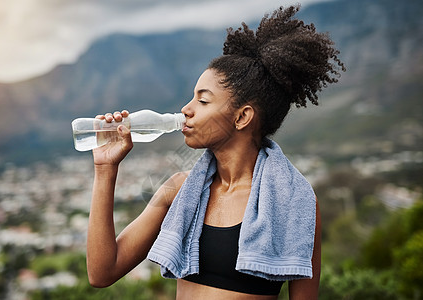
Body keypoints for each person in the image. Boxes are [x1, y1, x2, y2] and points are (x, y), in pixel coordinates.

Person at [86, 5, 345, 300]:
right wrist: (105, 170)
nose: (186, 109)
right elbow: (102, 273)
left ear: (242, 117)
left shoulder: (294, 200)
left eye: (203, 101)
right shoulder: (178, 190)